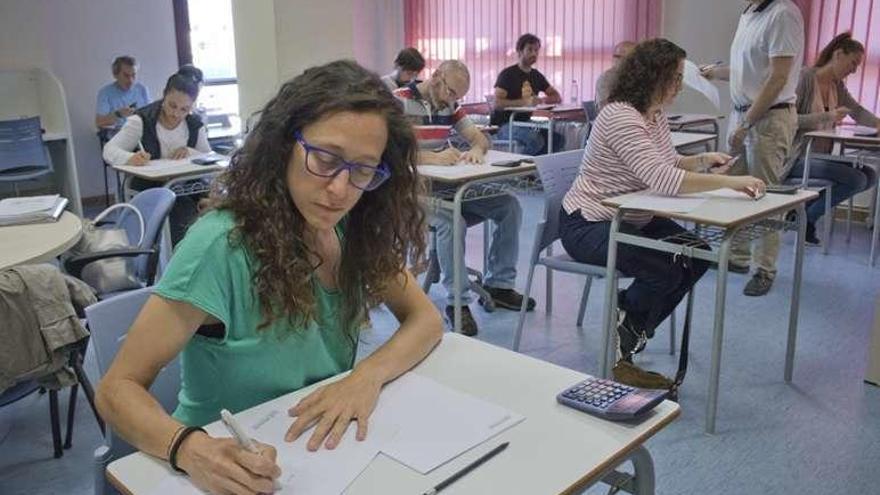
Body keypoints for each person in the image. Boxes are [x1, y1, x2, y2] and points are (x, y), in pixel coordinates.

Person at [95, 60, 443, 495]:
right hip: (222, 468)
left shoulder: (350, 228)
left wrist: (365, 377)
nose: (340, 189)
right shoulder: (221, 246)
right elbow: (116, 390)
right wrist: (190, 449)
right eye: (325, 158)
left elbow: (426, 319)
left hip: (319, 457)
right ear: (284, 146)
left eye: (363, 169)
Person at [559, 39, 765, 386]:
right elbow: (663, 179)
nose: (679, 85)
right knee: (664, 268)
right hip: (590, 222)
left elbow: (667, 163)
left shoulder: (653, 114)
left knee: (697, 255)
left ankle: (632, 324)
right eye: (675, 77)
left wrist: (701, 161)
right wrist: (729, 183)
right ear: (653, 77)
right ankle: (628, 330)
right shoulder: (620, 114)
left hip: (631, 216)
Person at [394, 60, 535, 336]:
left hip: (445, 186)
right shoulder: (398, 102)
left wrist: (477, 151)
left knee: (508, 206)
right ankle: (457, 304)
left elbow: (479, 138)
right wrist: (432, 157)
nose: (453, 100)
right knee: (451, 220)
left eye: (458, 96)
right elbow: (388, 153)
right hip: (408, 193)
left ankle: (500, 285)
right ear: (436, 77)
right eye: (450, 92)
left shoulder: (450, 105)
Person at [701, 0, 804, 296]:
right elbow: (750, 70)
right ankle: (738, 257)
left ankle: (765, 268)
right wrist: (716, 72)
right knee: (736, 188)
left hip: (768, 118)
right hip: (744, 114)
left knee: (766, 194)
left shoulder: (782, 13)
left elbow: (778, 77)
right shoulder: (750, 13)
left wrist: (747, 122)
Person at [785, 32, 879, 246]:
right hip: (795, 156)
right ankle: (807, 217)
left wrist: (877, 123)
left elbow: (857, 111)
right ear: (838, 54)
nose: (854, 70)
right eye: (853, 63)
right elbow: (787, 120)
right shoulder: (805, 78)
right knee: (856, 179)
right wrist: (826, 116)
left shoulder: (838, 86)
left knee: (871, 176)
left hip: (820, 157)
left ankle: (801, 213)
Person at [102, 72, 211, 243]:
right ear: (164, 95)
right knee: (181, 214)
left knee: (216, 210)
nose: (176, 114)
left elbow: (208, 156)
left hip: (188, 188)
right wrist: (130, 158)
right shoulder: (141, 120)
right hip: (151, 189)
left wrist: (190, 151)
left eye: (184, 109)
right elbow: (109, 150)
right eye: (172, 105)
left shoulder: (194, 124)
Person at [490, 33, 564, 155]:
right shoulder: (507, 74)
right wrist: (524, 102)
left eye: (536, 50)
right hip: (503, 125)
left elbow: (556, 96)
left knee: (558, 140)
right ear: (519, 51)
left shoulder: (536, 75)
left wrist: (541, 100)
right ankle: (522, 172)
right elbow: (497, 103)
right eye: (530, 49)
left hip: (525, 122)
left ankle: (535, 169)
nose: (534, 54)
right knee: (535, 140)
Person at [95, 56, 150, 138]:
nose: (131, 80)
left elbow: (151, 114)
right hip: (120, 137)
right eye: (126, 76)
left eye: (133, 75)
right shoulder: (105, 93)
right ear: (115, 75)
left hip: (143, 134)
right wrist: (119, 114)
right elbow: (99, 122)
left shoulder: (142, 89)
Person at [595, 41, 636, 110]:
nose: (619, 60)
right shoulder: (606, 79)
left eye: (627, 57)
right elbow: (605, 109)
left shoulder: (643, 76)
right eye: (617, 56)